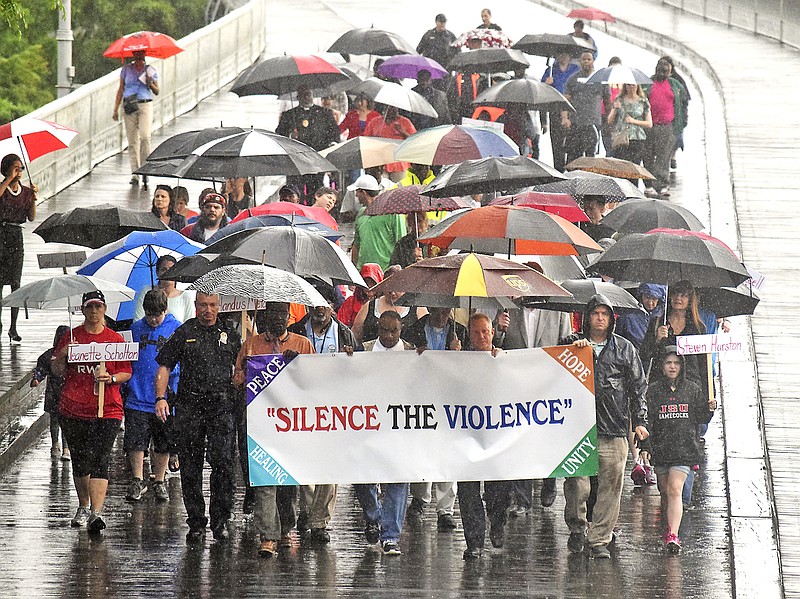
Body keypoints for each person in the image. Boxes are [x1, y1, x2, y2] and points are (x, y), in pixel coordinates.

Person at [560, 294, 648, 558]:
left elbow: (638, 387)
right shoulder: (572, 344)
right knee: (578, 485)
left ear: (611, 319)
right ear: (588, 317)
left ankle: (599, 538)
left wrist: (640, 421)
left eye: (605, 314)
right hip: (579, 429)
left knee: (611, 487)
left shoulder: (624, 349)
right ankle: (577, 527)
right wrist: (570, 349)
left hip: (614, 428)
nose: (600, 318)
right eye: (595, 313)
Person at [154, 292, 242, 543]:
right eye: (203, 305)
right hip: (190, 406)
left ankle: (221, 519)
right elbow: (164, 367)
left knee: (223, 464)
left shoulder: (230, 333)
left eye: (213, 305)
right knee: (190, 466)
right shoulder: (184, 332)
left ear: (219, 306)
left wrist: (240, 376)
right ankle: (196, 521)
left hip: (221, 406)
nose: (208, 310)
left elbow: (243, 365)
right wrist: (160, 398)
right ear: (195, 306)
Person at [232, 301, 314, 557]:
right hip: (260, 422)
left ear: (289, 317)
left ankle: (285, 529)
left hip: (291, 423)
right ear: (264, 317)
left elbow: (315, 379)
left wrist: (298, 364)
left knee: (287, 481)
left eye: (282, 314)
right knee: (264, 479)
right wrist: (246, 369)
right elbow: (236, 381)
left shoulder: (302, 344)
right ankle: (268, 535)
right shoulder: (251, 345)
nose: (278, 319)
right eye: (272, 314)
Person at [52, 290, 133, 533]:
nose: (94, 312)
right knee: (80, 459)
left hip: (107, 409)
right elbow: (56, 370)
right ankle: (83, 505)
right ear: (83, 309)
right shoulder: (71, 336)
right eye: (90, 307)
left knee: (101, 457)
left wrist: (112, 378)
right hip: (74, 408)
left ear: (105, 309)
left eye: (98, 307)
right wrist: (65, 354)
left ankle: (97, 512)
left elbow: (126, 371)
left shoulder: (114, 339)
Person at [501, 298, 573, 512]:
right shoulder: (509, 310)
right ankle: (522, 499)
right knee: (521, 439)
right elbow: (497, 344)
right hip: (517, 385)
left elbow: (566, 344)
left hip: (548, 384)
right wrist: (498, 329)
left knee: (546, 436)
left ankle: (549, 480)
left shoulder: (558, 312)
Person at [641, 347, 716, 553]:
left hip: (684, 448)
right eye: (668, 363)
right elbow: (648, 419)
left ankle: (673, 535)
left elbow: (701, 417)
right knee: (665, 492)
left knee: (675, 488)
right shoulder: (653, 391)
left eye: (676, 363)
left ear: (682, 366)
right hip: (662, 448)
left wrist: (708, 408)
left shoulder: (692, 389)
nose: (672, 367)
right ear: (662, 366)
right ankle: (668, 526)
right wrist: (646, 445)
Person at [355, 311, 413, 555]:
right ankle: (373, 516)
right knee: (363, 477)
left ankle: (390, 535)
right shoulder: (364, 351)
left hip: (400, 426)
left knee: (398, 478)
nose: (389, 336)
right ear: (377, 329)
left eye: (394, 331)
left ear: (401, 330)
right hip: (368, 424)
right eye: (384, 330)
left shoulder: (413, 352)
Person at [405, 306, 465, 531]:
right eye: (437, 311)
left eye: (445, 312)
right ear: (429, 309)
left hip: (450, 400)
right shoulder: (413, 331)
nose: (442, 316)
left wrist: (458, 354)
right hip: (422, 399)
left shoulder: (461, 333)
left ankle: (445, 509)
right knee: (423, 450)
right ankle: (420, 498)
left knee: (448, 453)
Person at [458, 312, 511, 559]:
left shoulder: (503, 359)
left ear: (492, 333)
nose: (481, 336)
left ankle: (497, 522)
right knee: (468, 491)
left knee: (499, 489)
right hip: (466, 436)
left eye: (485, 331)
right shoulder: (458, 361)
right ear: (470, 335)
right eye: (476, 332)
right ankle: (474, 541)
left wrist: (502, 361)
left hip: (495, 437)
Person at [125, 289, 182, 503]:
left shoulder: (176, 329)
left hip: (165, 397)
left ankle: (159, 480)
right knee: (136, 441)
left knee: (163, 442)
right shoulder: (135, 329)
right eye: (149, 314)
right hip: (138, 394)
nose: (153, 319)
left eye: (157, 315)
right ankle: (137, 479)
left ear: (165, 310)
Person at [276, 85, 340, 198]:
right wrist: (291, 135)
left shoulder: (325, 113)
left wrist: (329, 151)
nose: (306, 97)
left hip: (316, 159)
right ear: (298, 97)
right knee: (295, 193)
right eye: (303, 94)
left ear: (312, 95)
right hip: (296, 160)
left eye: (308, 94)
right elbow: (279, 136)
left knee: (316, 192)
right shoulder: (289, 115)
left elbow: (334, 135)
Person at [0, 153, 36, 343]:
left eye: (21, 168)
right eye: (15, 168)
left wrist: (34, 198)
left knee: (16, 284)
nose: (18, 171)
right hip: (1, 235)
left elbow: (31, 217)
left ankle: (14, 326)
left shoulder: (27, 192)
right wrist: (8, 180)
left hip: (16, 238)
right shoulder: (3, 188)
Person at [112, 50, 159, 186]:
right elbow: (121, 89)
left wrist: (150, 83)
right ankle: (136, 173)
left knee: (145, 136)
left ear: (144, 56)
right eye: (136, 55)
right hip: (129, 105)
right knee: (132, 141)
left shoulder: (150, 70)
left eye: (141, 56)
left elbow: (157, 91)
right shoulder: (126, 70)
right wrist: (115, 109)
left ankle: (145, 169)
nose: (139, 58)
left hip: (145, 104)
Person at [643, 58, 688, 198]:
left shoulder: (675, 85)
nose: (662, 73)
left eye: (665, 71)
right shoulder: (647, 84)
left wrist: (682, 121)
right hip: (650, 126)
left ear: (669, 72)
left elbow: (684, 102)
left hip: (667, 126)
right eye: (659, 70)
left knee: (664, 156)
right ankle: (649, 183)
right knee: (648, 156)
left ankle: (662, 184)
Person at [350, 174, 406, 270]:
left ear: (363, 192)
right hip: (364, 273)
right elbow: (356, 245)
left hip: (386, 272)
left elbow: (402, 242)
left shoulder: (393, 213)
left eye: (357, 192)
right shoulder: (360, 214)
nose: (356, 195)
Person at [32, 325, 71, 461]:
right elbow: (41, 368)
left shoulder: (73, 354)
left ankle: (66, 448)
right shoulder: (50, 354)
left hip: (68, 392)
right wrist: (37, 378)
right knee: (55, 420)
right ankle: (55, 445)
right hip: (54, 392)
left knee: (65, 421)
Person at [562, 52, 608, 166]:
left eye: (589, 59)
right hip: (575, 123)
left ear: (593, 61)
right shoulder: (573, 79)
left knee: (590, 157)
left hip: (593, 124)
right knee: (573, 157)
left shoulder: (601, 79)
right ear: (580, 62)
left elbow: (608, 102)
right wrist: (565, 118)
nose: (586, 61)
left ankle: (588, 182)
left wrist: (608, 121)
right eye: (584, 59)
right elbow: (565, 100)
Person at [542, 52, 580, 171]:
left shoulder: (575, 70)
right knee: (556, 140)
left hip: (572, 109)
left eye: (566, 54)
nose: (563, 57)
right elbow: (541, 91)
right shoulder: (551, 70)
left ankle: (571, 167)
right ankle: (558, 168)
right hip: (555, 108)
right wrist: (546, 84)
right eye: (561, 54)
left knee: (572, 139)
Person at [133, 255, 196, 323]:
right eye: (163, 269)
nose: (167, 273)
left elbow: (189, 325)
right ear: (157, 272)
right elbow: (138, 321)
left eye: (172, 269)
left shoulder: (186, 296)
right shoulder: (146, 292)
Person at [363, 106, 416, 181]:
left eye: (394, 108)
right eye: (388, 107)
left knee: (398, 189)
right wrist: (375, 139)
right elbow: (365, 140)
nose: (391, 110)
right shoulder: (375, 122)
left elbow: (414, 141)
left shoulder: (405, 122)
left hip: (399, 163)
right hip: (380, 163)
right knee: (382, 188)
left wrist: (403, 132)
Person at [607, 83, 652, 168]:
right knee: (621, 168)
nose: (631, 88)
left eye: (633, 85)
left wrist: (634, 121)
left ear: (638, 86)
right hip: (621, 139)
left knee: (634, 168)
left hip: (637, 139)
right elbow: (609, 120)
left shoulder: (643, 101)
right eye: (628, 85)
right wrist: (615, 109)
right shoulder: (619, 100)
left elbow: (649, 123)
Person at [416, 14, 458, 89]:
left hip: (445, 70)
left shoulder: (450, 36)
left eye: (444, 22)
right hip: (430, 69)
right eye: (440, 22)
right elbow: (418, 50)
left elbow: (457, 52)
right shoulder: (428, 35)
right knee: (430, 91)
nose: (442, 24)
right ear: (436, 22)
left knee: (444, 92)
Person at [337, 263, 384, 327]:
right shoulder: (350, 302)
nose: (369, 286)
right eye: (366, 282)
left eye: (372, 282)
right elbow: (341, 325)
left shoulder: (384, 303)